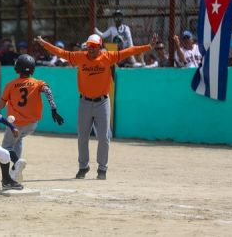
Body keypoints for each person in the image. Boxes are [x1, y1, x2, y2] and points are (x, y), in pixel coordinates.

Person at [34, 33, 158, 180]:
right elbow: (61, 52)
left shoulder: (108, 57)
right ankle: (83, 166)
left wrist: (148, 46)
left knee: (103, 137)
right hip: (85, 102)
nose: (90, 49)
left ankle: (102, 168)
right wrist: (44, 44)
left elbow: (129, 51)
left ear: (100, 47)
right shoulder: (80, 57)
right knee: (82, 136)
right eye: (89, 46)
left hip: (102, 102)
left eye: (94, 47)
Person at [0, 54, 64, 182]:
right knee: (19, 139)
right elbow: (48, 92)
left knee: (6, 148)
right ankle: (15, 172)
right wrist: (53, 109)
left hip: (14, 125)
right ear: (32, 69)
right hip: (32, 125)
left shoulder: (10, 85)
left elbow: (1, 104)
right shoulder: (38, 83)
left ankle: (17, 163)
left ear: (17, 69)